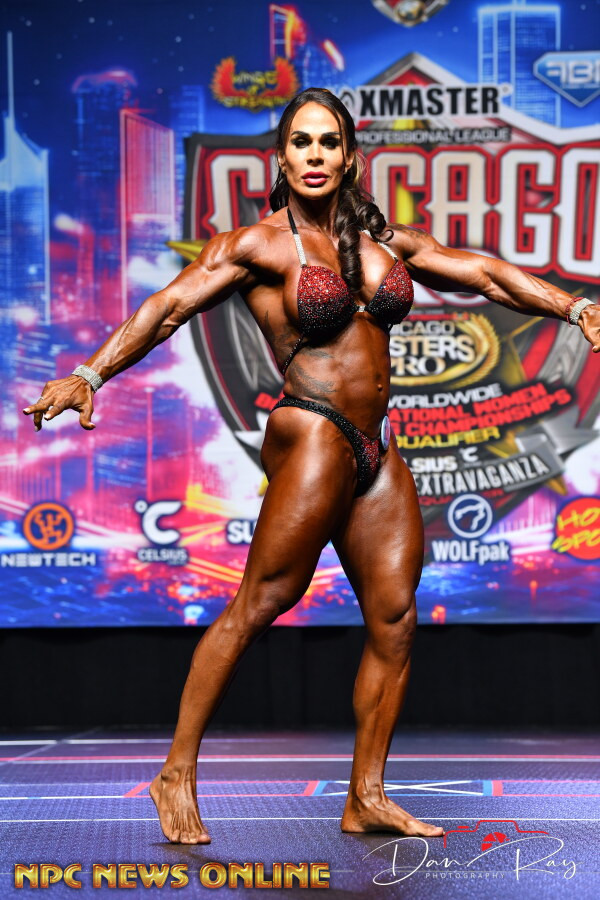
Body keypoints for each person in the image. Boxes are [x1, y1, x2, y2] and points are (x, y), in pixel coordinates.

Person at [23, 88, 599, 845]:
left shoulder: (385, 245)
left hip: (374, 446)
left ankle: (366, 795)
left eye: (329, 141)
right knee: (263, 600)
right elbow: (167, 307)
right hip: (314, 431)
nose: (316, 154)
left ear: (349, 156)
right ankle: (175, 773)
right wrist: (90, 374)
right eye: (302, 142)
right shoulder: (258, 247)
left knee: (394, 618)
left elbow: (485, 274)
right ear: (283, 158)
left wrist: (573, 308)